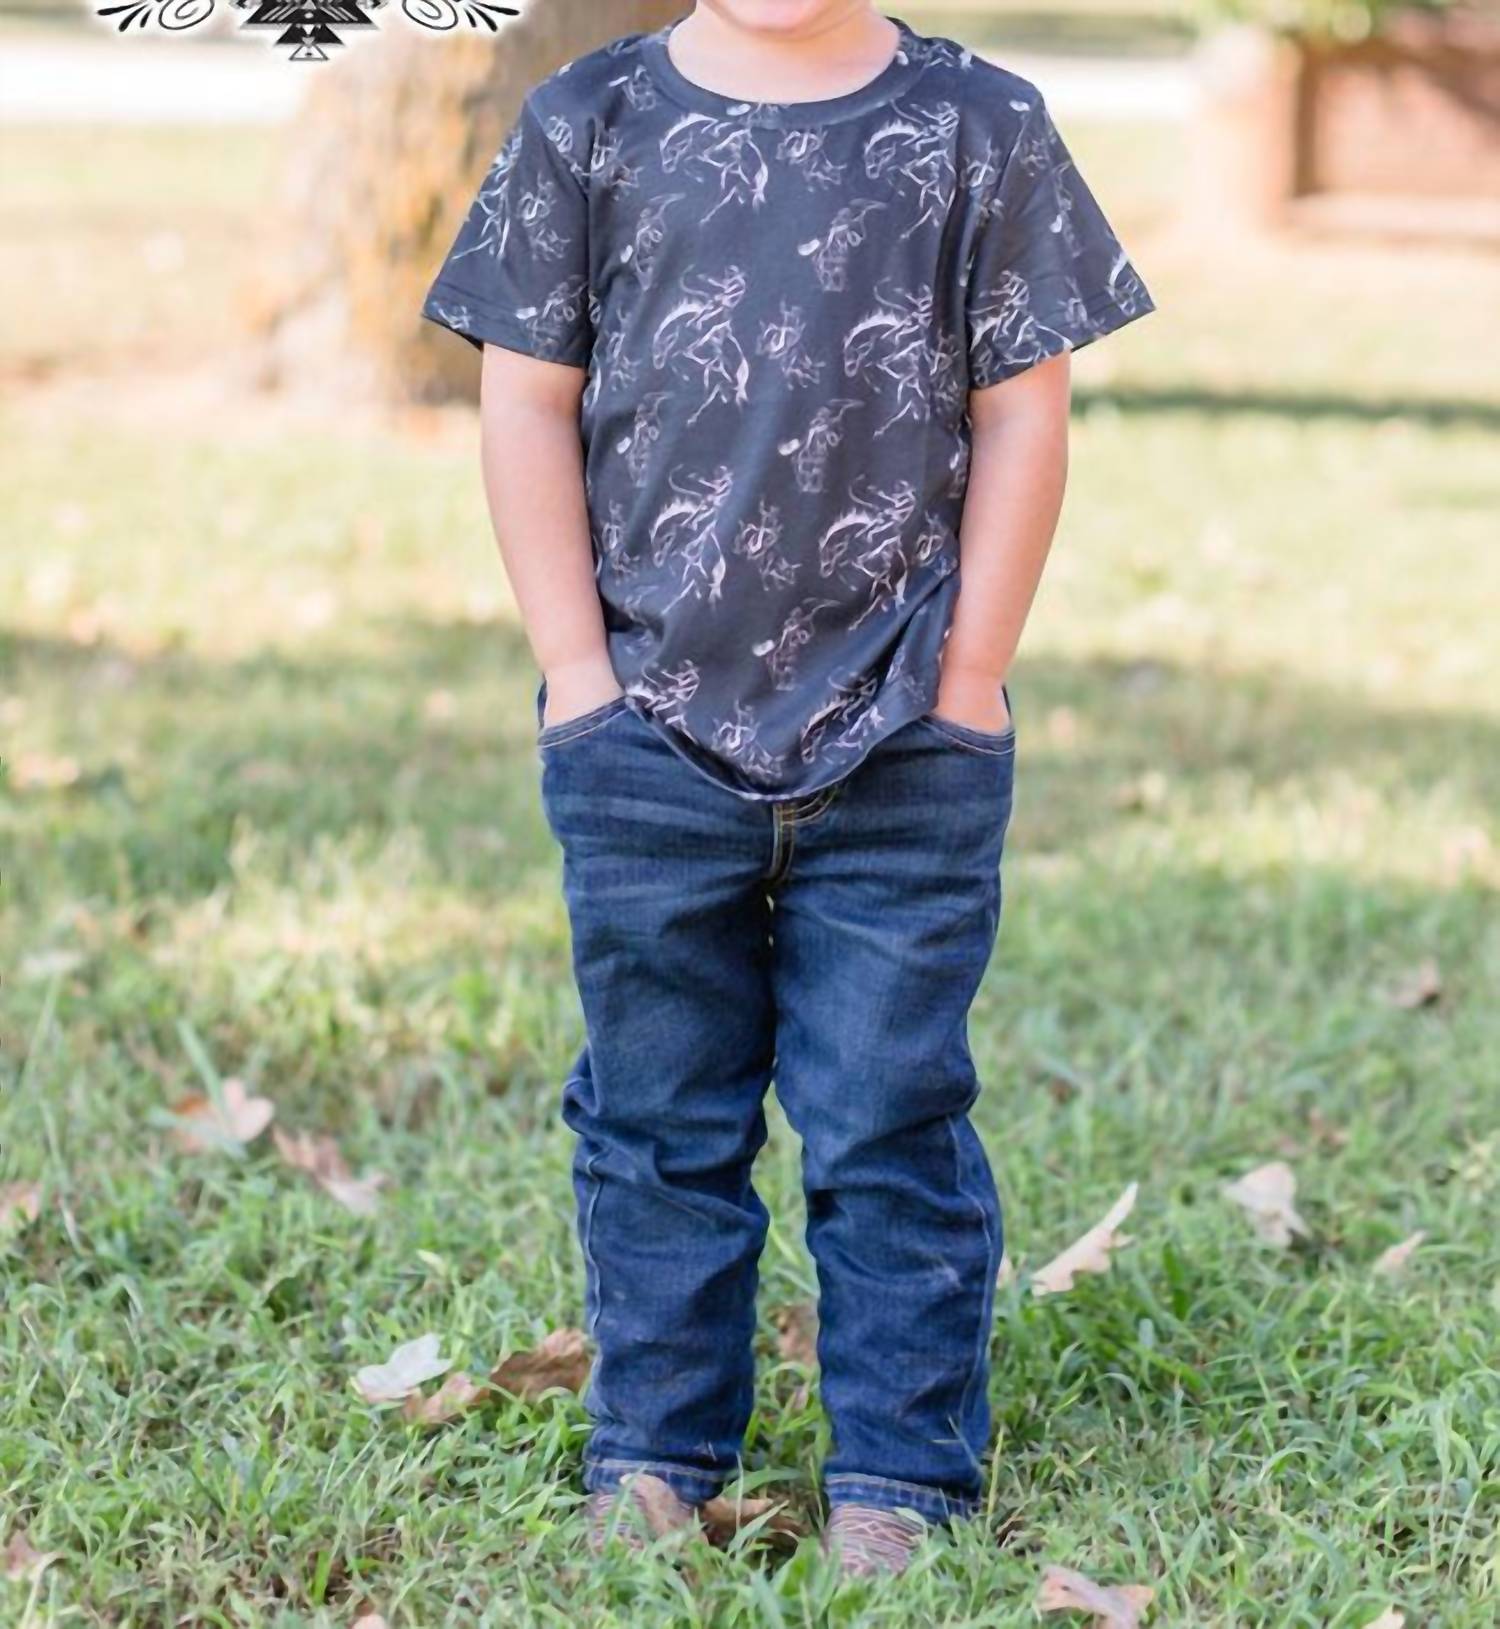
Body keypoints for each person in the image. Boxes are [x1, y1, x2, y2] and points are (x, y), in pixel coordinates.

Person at [421, 0, 1156, 1578]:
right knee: (656, 1121)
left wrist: (969, 680)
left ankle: (899, 1472)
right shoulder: (587, 121)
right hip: (643, 734)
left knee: (887, 1116)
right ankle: (655, 1449)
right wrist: (577, 676)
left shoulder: (982, 124)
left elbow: (1023, 415)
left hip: (903, 739)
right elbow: (525, 398)